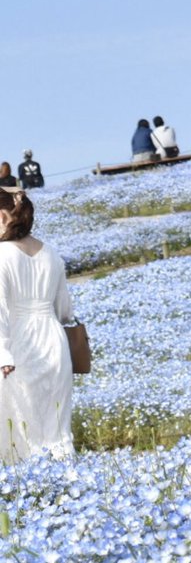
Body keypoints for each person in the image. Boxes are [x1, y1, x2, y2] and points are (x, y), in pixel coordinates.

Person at [0, 188, 76, 464]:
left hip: (17, 342)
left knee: (20, 422)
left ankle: (28, 489)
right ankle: (67, 481)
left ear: (3, 216)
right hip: (54, 341)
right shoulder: (52, 253)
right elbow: (65, 311)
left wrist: (3, 354)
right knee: (55, 423)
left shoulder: (2, 254)